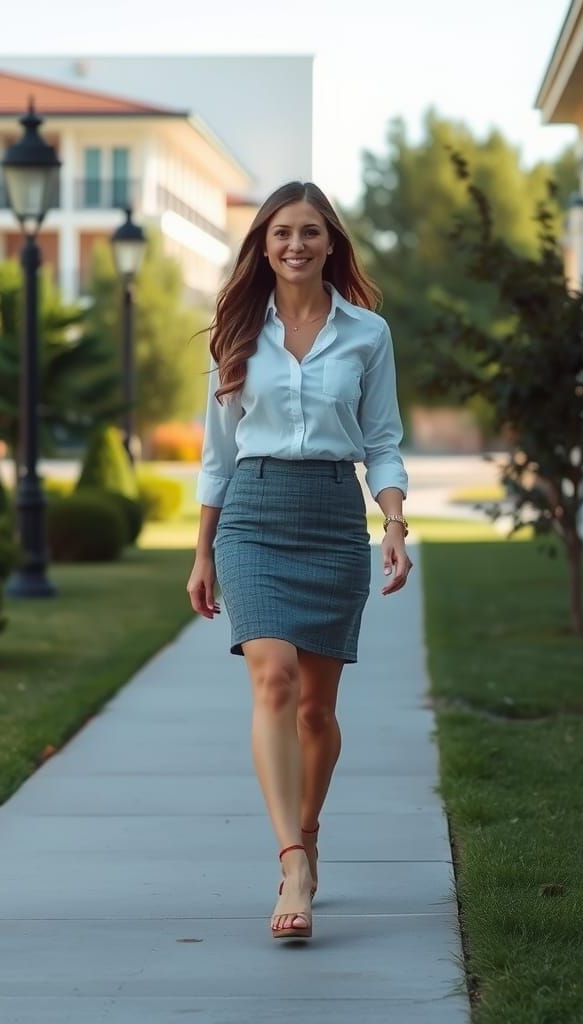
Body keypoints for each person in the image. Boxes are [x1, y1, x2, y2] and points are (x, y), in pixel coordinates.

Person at [186, 181, 411, 942]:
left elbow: (383, 441)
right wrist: (202, 552)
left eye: (310, 232)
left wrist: (394, 523)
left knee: (317, 710)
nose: (295, 245)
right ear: (263, 243)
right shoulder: (236, 331)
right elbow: (217, 456)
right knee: (274, 678)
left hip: (333, 515)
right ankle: (292, 865)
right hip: (252, 514)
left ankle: (308, 832)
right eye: (282, 232)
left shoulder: (368, 334)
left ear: (330, 243)